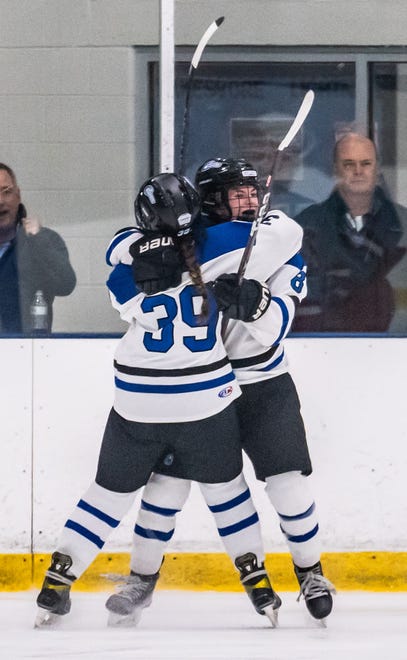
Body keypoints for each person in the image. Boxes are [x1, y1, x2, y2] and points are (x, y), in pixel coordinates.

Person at [35, 172, 286, 628]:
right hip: (204, 401)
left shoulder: (125, 273)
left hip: (138, 401)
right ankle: (258, 582)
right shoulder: (226, 241)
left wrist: (136, 247)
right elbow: (283, 233)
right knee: (227, 492)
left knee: (107, 495)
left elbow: (119, 278)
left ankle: (58, 578)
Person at [104, 159, 335, 627]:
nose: (250, 200)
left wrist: (255, 303)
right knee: (165, 487)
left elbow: (277, 330)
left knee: (287, 483)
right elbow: (119, 245)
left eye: (253, 192)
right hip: (205, 389)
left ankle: (311, 572)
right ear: (210, 200)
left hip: (263, 386)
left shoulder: (272, 242)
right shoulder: (193, 241)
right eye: (237, 193)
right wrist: (147, 250)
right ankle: (141, 579)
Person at [292, 133, 406, 332]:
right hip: (321, 343)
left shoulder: (404, 223)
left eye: (366, 163)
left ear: (377, 168)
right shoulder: (307, 224)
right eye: (348, 164)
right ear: (335, 169)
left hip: (394, 343)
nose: (358, 171)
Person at [0, 163, 76, 334]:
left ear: (18, 195)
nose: (1, 201)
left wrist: (38, 240)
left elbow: (66, 284)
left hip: (30, 352)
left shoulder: (44, 239)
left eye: (7, 192)